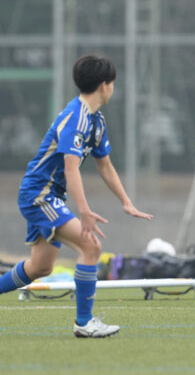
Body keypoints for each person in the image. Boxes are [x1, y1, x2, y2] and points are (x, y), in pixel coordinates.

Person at [0, 54, 153, 338]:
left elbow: (104, 166)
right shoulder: (77, 118)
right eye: (113, 83)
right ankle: (84, 322)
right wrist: (84, 211)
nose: (113, 88)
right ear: (104, 85)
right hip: (40, 194)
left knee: (40, 267)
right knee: (91, 246)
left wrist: (126, 202)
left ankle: (83, 321)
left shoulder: (96, 121)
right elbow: (71, 168)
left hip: (49, 196)